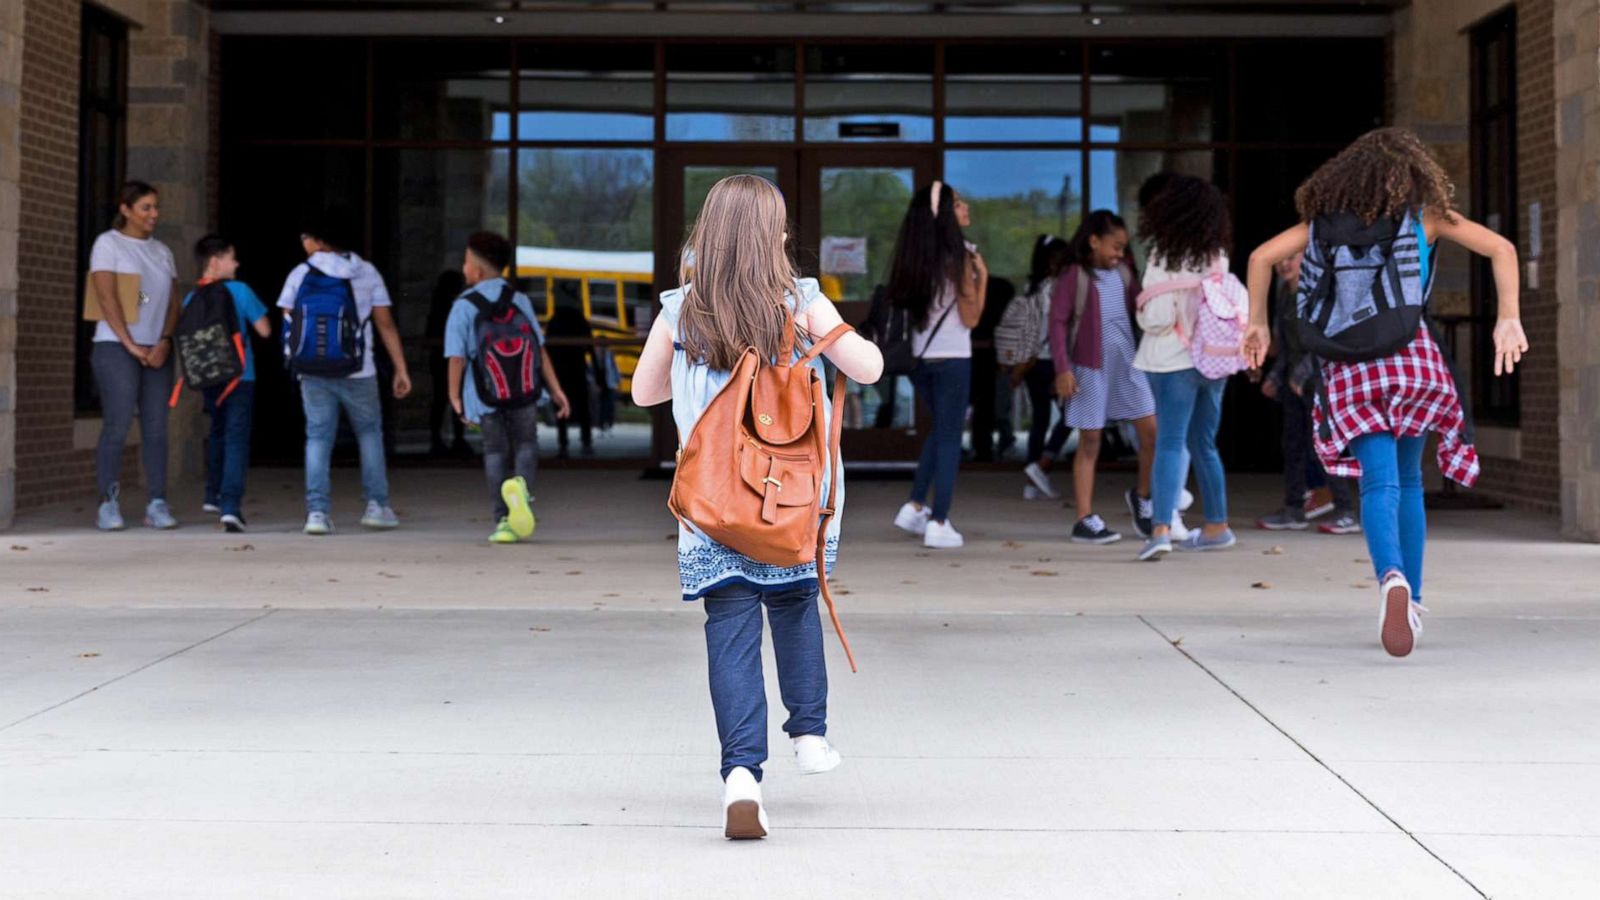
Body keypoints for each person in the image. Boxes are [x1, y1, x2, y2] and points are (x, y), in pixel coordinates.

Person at [630, 174, 884, 840]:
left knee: (731, 630)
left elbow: (643, 393)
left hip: (713, 505)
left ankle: (741, 776)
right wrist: (826, 337)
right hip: (791, 501)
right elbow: (869, 368)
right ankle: (809, 733)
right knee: (796, 604)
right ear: (772, 236)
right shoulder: (800, 301)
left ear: (708, 237)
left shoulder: (680, 310)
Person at [1244, 127, 1527, 657]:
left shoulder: (1322, 227)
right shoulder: (1426, 218)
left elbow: (1261, 257)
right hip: (1413, 357)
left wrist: (1257, 324)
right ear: (1412, 175)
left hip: (1352, 367)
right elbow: (1502, 249)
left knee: (1378, 484)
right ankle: (1412, 599)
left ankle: (1390, 578)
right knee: (1410, 485)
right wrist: (1507, 317)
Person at [277, 211, 412, 536]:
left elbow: (288, 320)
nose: (303, 243)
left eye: (306, 237)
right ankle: (377, 506)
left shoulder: (301, 273)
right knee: (369, 433)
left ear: (319, 240)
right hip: (358, 368)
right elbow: (385, 325)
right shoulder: (365, 272)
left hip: (312, 370)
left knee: (318, 437)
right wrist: (400, 368)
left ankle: (317, 513)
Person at [1133, 175, 1238, 561]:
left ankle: (1160, 528)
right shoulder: (1217, 255)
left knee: (1169, 443)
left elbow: (1156, 318)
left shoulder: (1164, 253)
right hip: (1213, 359)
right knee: (1204, 444)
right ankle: (1216, 525)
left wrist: (1148, 309)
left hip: (1170, 360)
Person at [446, 231, 570, 545]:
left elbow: (457, 358)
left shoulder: (463, 306)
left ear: (476, 270)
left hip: (486, 394)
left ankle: (503, 519)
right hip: (525, 391)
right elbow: (539, 350)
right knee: (526, 444)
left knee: (495, 450)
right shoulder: (519, 300)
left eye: (465, 262)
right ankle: (521, 489)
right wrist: (556, 390)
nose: (463, 269)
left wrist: (455, 398)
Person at [888, 181, 987, 549]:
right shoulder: (959, 255)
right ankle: (940, 520)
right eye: (958, 203)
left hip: (919, 360)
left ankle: (915, 506)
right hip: (953, 359)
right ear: (945, 214)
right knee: (949, 437)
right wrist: (984, 276)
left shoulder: (913, 256)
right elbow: (972, 316)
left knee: (940, 430)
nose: (965, 208)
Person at [1048, 211, 1157, 545]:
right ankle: (1084, 518)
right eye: (1115, 246)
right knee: (1090, 441)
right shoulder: (1075, 276)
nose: (1119, 254)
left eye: (1124, 248)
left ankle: (1143, 496)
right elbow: (1057, 323)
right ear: (1094, 241)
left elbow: (1144, 306)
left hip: (1128, 366)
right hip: (1088, 370)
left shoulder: (1124, 273)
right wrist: (1063, 368)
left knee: (1152, 433)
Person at [87, 181, 181, 531]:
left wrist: (164, 340)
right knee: (119, 422)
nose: (154, 214)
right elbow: (108, 296)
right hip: (116, 347)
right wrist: (129, 343)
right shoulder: (108, 244)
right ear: (126, 210)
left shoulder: (162, 251)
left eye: (156, 207)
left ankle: (157, 502)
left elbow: (167, 301)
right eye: (146, 208)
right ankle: (108, 503)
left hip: (157, 349)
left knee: (157, 426)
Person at [1255, 254, 1359, 535]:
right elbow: (1287, 345)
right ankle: (1293, 509)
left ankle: (1346, 510)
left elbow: (1325, 341)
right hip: (1293, 382)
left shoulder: (1317, 293)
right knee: (1293, 445)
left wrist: (1301, 375)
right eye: (1280, 260)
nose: (1284, 264)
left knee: (1326, 444)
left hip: (1321, 380)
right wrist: (1276, 377)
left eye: (1292, 258)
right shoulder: (1284, 293)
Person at [187, 236, 271, 532]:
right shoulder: (241, 290)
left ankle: (213, 494)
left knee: (218, 431)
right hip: (241, 376)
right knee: (236, 437)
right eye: (231, 257)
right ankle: (231, 506)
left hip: (210, 379)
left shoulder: (192, 297)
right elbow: (264, 330)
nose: (237, 263)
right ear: (215, 261)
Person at [1009, 235, 1074, 501]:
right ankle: (1041, 465)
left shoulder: (1032, 288)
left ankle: (1032, 482)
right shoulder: (1057, 288)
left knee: (1040, 420)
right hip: (1052, 360)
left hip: (1032, 362)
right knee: (1073, 414)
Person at [969, 275, 1016, 463]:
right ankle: (985, 447)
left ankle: (981, 446)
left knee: (980, 405)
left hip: (971, 354)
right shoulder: (999, 308)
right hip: (990, 355)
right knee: (986, 405)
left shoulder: (975, 304)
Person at [426, 269, 470, 457]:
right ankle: (454, 439)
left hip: (440, 358)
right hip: (447, 358)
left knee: (442, 399)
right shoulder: (452, 306)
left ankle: (443, 438)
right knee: (452, 399)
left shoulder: (439, 305)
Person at [545, 304, 598, 457]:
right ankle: (586, 441)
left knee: (561, 406)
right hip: (576, 368)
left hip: (560, 370)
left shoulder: (555, 321)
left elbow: (547, 347)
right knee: (582, 406)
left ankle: (563, 443)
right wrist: (598, 372)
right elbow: (590, 347)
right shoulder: (579, 320)